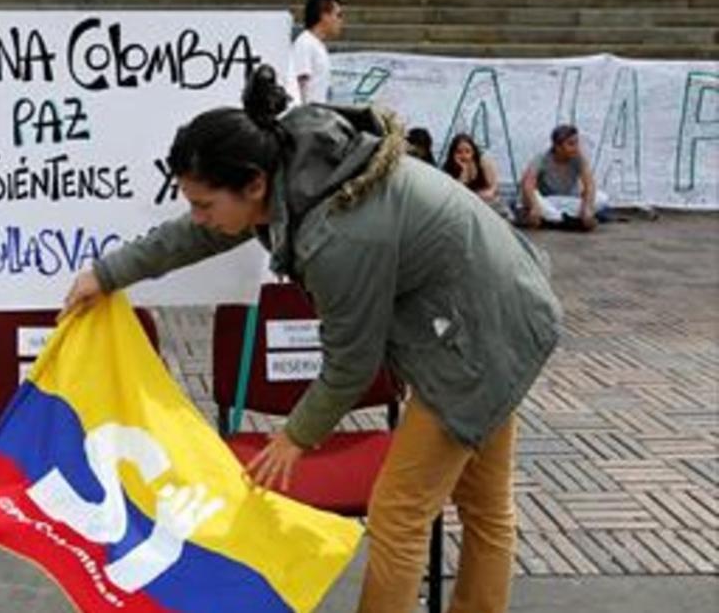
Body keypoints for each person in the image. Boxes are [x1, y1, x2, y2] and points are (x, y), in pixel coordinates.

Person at [63, 66, 561, 613]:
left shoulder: (337, 234)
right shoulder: (294, 165)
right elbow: (196, 234)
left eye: (204, 203)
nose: (198, 216)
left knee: (400, 512)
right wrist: (107, 274)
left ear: (253, 183)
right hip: (491, 309)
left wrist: (295, 437)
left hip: (483, 337)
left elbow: (352, 362)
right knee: (485, 504)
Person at [517, 124, 607, 231]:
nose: (576, 147)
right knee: (533, 198)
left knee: (602, 198)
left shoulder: (579, 158)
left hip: (566, 201)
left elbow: (590, 185)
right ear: (557, 146)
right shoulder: (542, 158)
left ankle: (558, 219)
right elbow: (527, 184)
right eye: (571, 144)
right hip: (547, 201)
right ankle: (566, 221)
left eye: (576, 143)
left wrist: (587, 209)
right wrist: (535, 207)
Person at [291, 0, 343, 105]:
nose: (340, 21)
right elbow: (301, 84)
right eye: (338, 15)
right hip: (309, 117)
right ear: (324, 16)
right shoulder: (305, 43)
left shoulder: (317, 45)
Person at [442, 132, 510, 219]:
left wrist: (479, 196)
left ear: (473, 152)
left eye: (467, 151)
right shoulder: (449, 168)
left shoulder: (483, 162)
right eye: (459, 152)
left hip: (487, 203)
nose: (464, 156)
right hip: (466, 205)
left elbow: (493, 189)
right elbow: (456, 193)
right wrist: (463, 171)